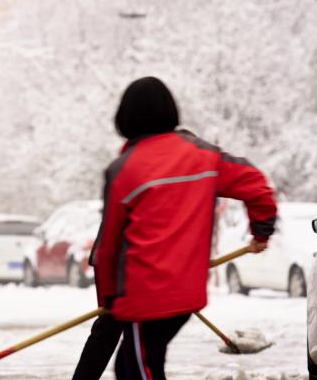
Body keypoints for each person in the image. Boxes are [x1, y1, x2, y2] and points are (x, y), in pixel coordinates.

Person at [75, 76, 277, 379]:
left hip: (143, 294)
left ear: (125, 118)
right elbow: (257, 186)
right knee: (131, 365)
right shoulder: (206, 157)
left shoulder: (124, 169)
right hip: (185, 292)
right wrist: (262, 231)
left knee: (139, 368)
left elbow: (108, 249)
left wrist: (109, 301)